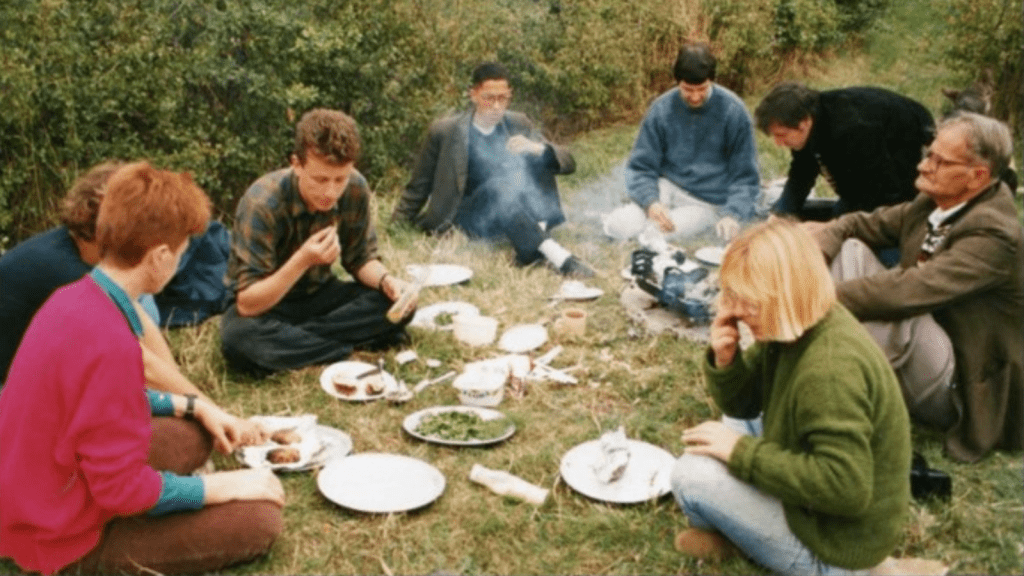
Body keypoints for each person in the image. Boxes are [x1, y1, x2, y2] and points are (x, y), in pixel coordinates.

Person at [0, 162, 284, 575]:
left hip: (33, 481)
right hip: (53, 531)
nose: (183, 259)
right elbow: (120, 490)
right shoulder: (108, 341)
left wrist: (192, 406)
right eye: (184, 250)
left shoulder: (74, 297)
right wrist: (216, 487)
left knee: (192, 432)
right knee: (259, 519)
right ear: (160, 257)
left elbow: (101, 397)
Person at [670, 219, 912, 575]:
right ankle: (743, 530)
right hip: (825, 513)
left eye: (746, 301)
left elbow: (846, 487)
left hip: (835, 549)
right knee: (731, 426)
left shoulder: (828, 370)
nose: (734, 310)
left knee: (690, 474)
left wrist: (740, 453)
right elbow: (743, 405)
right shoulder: (799, 322)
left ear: (783, 294)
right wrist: (727, 361)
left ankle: (743, 535)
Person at [809, 111, 1023, 463]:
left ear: (977, 176)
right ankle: (828, 366)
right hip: (916, 347)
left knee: (896, 301)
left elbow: (912, 290)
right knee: (851, 251)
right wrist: (818, 250)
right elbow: (858, 224)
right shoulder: (935, 202)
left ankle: (830, 384)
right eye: (929, 154)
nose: (924, 166)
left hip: (959, 385)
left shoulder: (994, 234)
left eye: (940, 161)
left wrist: (816, 297)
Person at [0, 162, 249, 426]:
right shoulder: (63, 272)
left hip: (43, 379)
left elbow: (142, 324)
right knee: (178, 439)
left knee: (144, 300)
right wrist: (200, 407)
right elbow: (139, 359)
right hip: (13, 393)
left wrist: (193, 399)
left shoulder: (97, 261)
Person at [221, 108, 415, 376]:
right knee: (239, 340)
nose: (330, 192)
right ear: (297, 164)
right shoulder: (263, 202)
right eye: (320, 179)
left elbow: (360, 258)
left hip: (321, 294)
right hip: (270, 305)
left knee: (397, 307)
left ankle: (297, 344)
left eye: (340, 179)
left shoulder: (356, 187)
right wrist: (302, 260)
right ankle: (341, 351)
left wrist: (387, 281)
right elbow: (247, 303)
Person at [392, 62, 593, 277]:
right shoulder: (444, 131)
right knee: (498, 186)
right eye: (489, 98)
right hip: (471, 217)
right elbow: (419, 185)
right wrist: (397, 224)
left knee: (540, 156)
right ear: (473, 95)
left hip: (511, 213)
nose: (497, 106)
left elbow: (568, 163)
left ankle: (531, 244)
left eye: (502, 98)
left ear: (509, 95)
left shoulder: (518, 122)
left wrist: (536, 148)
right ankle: (557, 256)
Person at [606, 42, 761, 242]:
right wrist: (650, 202)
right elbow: (641, 167)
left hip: (706, 201)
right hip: (667, 188)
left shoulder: (734, 111)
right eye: (688, 89)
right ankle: (633, 215)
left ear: (712, 81)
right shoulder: (661, 109)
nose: (695, 97)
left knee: (655, 235)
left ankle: (653, 228)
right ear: (677, 82)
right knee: (619, 226)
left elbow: (746, 178)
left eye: (702, 89)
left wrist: (733, 214)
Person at [755, 82, 935, 220]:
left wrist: (837, 225)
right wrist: (781, 215)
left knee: (864, 226)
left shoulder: (850, 130)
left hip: (906, 139)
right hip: (870, 159)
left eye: (781, 135)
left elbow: (871, 192)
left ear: (804, 123)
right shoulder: (811, 117)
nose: (778, 143)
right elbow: (802, 172)